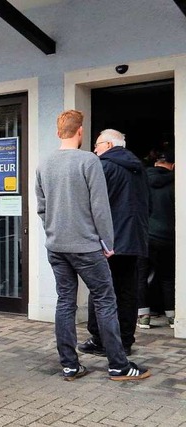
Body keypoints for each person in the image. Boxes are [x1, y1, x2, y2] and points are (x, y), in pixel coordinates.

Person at [35, 110, 150, 382]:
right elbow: (100, 208)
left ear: (57, 132)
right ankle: (118, 366)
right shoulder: (89, 161)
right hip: (85, 245)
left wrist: (53, 230)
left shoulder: (44, 164)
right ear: (80, 132)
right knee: (105, 300)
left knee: (65, 302)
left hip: (56, 245)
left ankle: (70, 366)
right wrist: (107, 242)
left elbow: (41, 207)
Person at [77, 129, 149, 356]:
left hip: (109, 242)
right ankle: (125, 341)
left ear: (108, 145)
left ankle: (99, 339)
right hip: (134, 239)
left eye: (97, 145)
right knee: (127, 291)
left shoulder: (104, 167)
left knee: (100, 290)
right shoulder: (139, 169)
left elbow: (94, 206)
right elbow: (149, 205)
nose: (94, 150)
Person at [138, 149, 175, 328]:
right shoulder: (176, 182)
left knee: (141, 275)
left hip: (145, 235)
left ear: (155, 164)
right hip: (168, 236)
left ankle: (144, 316)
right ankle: (172, 316)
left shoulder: (142, 181)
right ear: (173, 165)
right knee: (168, 276)